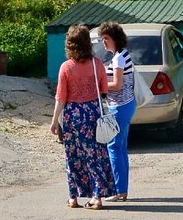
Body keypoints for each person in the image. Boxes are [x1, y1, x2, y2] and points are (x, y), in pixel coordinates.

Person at [50, 23, 114, 209]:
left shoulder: (66, 67)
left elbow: (61, 98)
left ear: (70, 44)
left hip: (72, 116)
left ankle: (73, 197)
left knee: (73, 156)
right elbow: (104, 90)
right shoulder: (97, 64)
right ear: (88, 43)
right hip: (93, 114)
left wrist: (54, 122)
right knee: (95, 155)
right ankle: (97, 197)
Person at [98, 22, 136, 203]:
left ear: (115, 39)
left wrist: (100, 86)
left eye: (106, 38)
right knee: (120, 148)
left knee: (113, 147)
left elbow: (117, 84)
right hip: (125, 105)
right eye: (102, 39)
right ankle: (122, 190)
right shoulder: (121, 55)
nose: (103, 42)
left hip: (120, 106)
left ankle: (118, 190)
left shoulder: (119, 58)